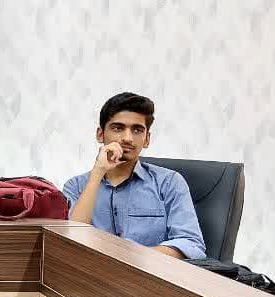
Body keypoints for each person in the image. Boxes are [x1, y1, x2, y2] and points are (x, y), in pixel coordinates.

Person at [62, 92, 206, 259]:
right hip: (92, 273)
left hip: (151, 273)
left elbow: (191, 244)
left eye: (137, 130)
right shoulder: (75, 186)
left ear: (147, 139)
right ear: (100, 134)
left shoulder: (169, 183)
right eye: (118, 128)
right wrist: (97, 173)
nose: (128, 138)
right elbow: (69, 243)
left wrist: (130, 257)